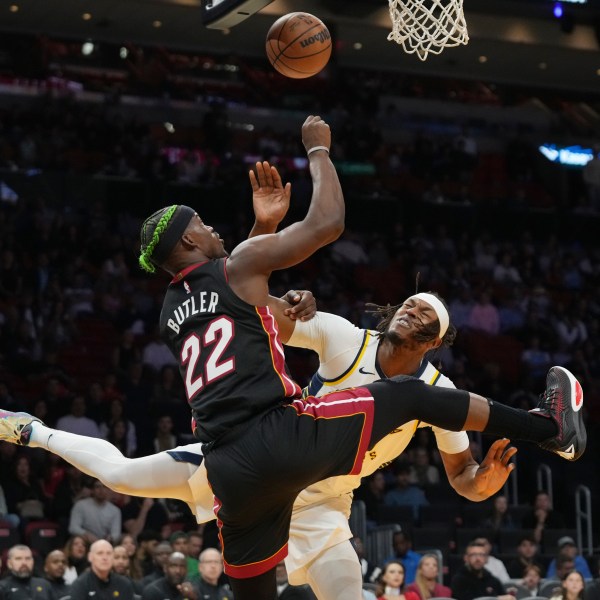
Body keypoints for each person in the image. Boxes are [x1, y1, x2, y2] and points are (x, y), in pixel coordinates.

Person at [0, 117, 587, 597]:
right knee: (410, 400)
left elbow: (253, 313)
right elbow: (312, 243)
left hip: (246, 473)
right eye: (202, 224)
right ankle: (549, 428)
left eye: (426, 317)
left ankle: (33, 431)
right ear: (187, 243)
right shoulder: (337, 331)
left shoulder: (168, 310)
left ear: (437, 340)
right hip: (281, 441)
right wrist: (318, 149)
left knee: (126, 475)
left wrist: (263, 244)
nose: (212, 227)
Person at [64, 539, 136, 600]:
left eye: (109, 553)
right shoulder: (80, 585)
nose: (105, 557)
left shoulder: (124, 584)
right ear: (90, 557)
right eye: (100, 553)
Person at [68, 478, 122, 544]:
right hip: (84, 543)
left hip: (104, 544)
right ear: (92, 490)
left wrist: (110, 538)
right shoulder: (80, 505)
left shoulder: (115, 511)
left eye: (104, 487)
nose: (101, 490)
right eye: (97, 487)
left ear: (108, 490)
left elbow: (116, 534)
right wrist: (86, 534)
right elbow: (73, 528)